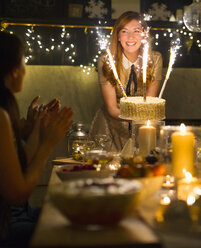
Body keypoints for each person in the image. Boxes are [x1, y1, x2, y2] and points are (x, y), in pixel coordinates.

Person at [0, 31, 73, 247]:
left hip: (14, 218)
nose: (25, 69)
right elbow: (18, 195)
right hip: (7, 228)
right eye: (24, 62)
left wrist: (37, 129)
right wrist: (47, 144)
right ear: (13, 71)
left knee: (70, 209)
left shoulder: (5, 107)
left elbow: (19, 166)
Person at [89, 11, 163, 152]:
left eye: (136, 31)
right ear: (117, 36)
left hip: (143, 126)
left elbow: (149, 102)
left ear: (144, 35)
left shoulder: (155, 59)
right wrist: (134, 118)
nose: (130, 37)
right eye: (124, 31)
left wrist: (139, 121)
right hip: (110, 126)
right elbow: (111, 108)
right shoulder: (106, 60)